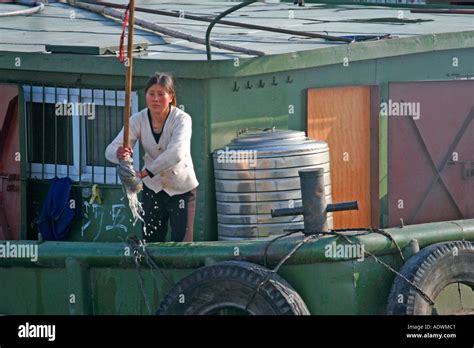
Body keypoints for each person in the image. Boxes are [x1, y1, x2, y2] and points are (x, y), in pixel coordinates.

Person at [105, 73, 198, 242]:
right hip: (152, 189)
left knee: (183, 243)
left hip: (181, 189)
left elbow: (176, 153)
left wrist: (144, 173)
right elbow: (109, 150)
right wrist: (119, 153)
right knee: (151, 241)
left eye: (161, 94)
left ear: (171, 97)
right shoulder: (137, 120)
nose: (155, 99)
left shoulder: (182, 119)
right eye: (151, 94)